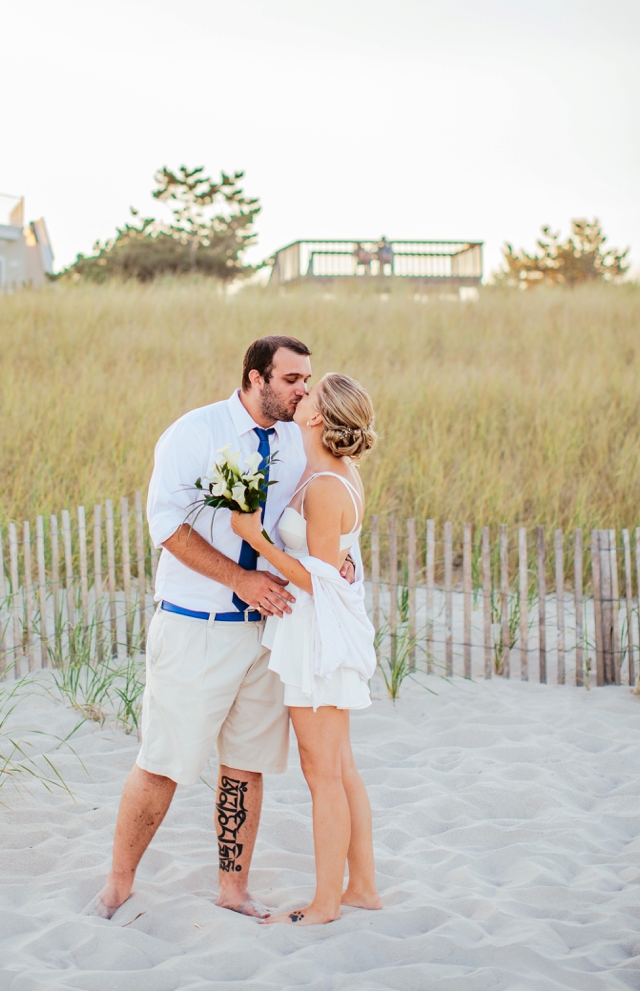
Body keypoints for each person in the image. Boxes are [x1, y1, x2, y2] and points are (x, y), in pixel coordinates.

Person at [92, 335, 312, 920]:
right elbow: (165, 524)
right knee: (164, 760)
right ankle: (118, 883)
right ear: (255, 377)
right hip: (197, 625)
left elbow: (302, 518)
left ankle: (232, 890)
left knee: (245, 764)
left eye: (305, 380)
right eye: (291, 380)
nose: (302, 391)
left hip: (266, 633)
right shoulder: (196, 433)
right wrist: (240, 582)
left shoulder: (296, 441)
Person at [230, 372, 382, 925]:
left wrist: (255, 538)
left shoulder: (324, 485)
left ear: (319, 416)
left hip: (316, 640)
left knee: (324, 775)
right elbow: (338, 563)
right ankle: (361, 887)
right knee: (341, 768)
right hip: (321, 631)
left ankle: (326, 903)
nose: (301, 395)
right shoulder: (336, 473)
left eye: (310, 394)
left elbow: (318, 578)